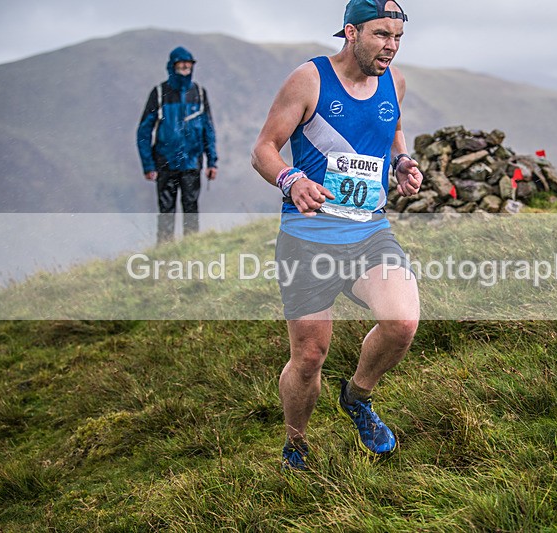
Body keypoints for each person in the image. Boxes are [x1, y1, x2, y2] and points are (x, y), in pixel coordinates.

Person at [251, 0, 423, 471]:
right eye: (381, 35)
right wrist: (292, 181)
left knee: (402, 323)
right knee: (308, 357)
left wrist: (404, 162)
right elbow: (264, 149)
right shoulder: (309, 80)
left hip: (369, 231)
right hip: (308, 237)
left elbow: (393, 128)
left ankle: (358, 397)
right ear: (351, 32)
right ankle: (296, 444)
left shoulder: (395, 81)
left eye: (398, 37)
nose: (390, 47)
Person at [137, 46, 218, 243]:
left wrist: (212, 161)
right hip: (165, 161)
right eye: (181, 64)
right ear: (172, 66)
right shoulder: (159, 93)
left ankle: (191, 248)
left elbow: (208, 128)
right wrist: (148, 165)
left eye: (188, 64)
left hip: (192, 162)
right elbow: (144, 131)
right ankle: (165, 250)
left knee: (191, 206)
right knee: (166, 209)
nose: (185, 67)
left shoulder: (199, 92)